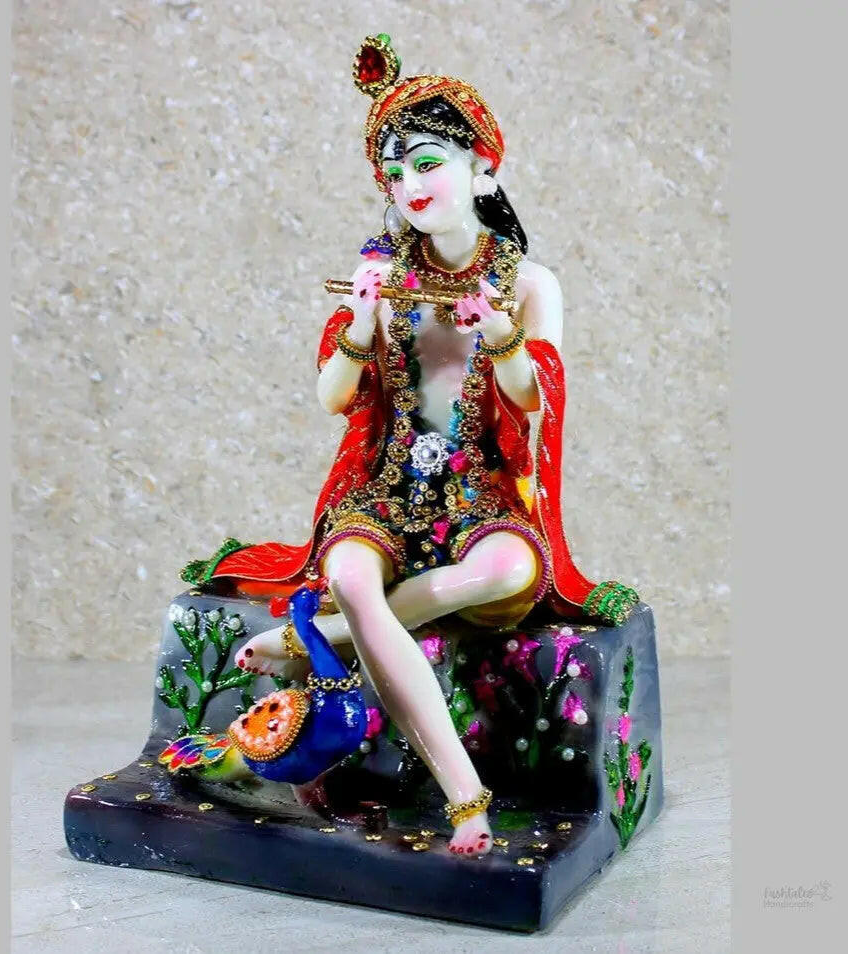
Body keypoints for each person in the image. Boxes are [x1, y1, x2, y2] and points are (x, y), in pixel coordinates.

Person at [182, 35, 638, 857]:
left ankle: (320, 637)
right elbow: (333, 397)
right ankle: (465, 795)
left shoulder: (530, 285)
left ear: (483, 169)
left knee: (510, 571)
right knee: (353, 575)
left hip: (478, 495)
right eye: (395, 173)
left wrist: (501, 334)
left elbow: (536, 400)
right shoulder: (382, 275)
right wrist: (361, 318)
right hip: (383, 491)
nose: (411, 185)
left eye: (428, 163)